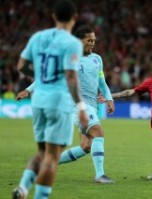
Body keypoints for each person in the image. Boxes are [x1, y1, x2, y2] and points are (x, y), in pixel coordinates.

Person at [16, 25, 115, 184]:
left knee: (86, 146)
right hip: (76, 105)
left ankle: (47, 163)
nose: (92, 43)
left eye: (94, 40)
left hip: (91, 106)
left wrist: (109, 98)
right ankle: (100, 175)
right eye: (89, 40)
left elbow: (102, 83)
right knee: (98, 132)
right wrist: (28, 90)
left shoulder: (97, 59)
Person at [12, 1, 89, 198]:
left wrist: (42, 75)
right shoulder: (72, 43)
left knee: (42, 152)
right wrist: (80, 107)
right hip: (58, 102)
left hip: (38, 102)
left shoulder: (38, 37)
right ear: (75, 17)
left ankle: (22, 187)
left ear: (54, 16)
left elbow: (21, 66)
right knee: (52, 156)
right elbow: (71, 77)